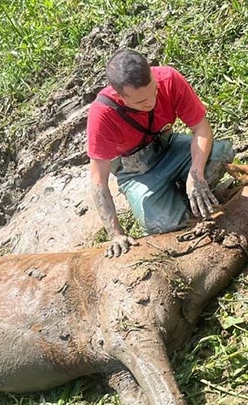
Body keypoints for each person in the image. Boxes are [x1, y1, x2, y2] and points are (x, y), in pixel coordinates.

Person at [86, 49, 234, 258]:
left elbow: (202, 128)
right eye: (140, 102)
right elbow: (98, 180)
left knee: (221, 153)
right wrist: (115, 234)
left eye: (153, 91)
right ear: (119, 96)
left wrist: (196, 174)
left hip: (170, 148)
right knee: (166, 223)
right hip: (137, 173)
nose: (151, 102)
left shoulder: (169, 78)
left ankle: (188, 188)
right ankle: (180, 200)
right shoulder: (102, 115)